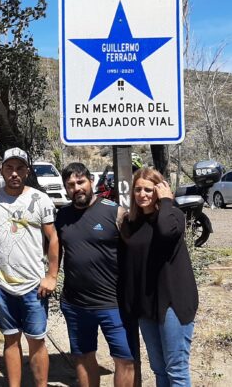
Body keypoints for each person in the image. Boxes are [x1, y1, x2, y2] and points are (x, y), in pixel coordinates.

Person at [56, 162, 138, 387]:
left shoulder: (114, 212)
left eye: (80, 182)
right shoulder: (62, 216)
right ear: (66, 188)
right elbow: (51, 250)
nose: (77, 188)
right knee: (83, 357)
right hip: (76, 304)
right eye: (71, 185)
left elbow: (138, 247)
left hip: (113, 304)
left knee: (125, 360)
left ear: (91, 181)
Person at [120, 167, 198, 387]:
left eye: (148, 189)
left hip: (173, 302)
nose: (142, 194)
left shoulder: (173, 216)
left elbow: (165, 232)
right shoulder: (131, 223)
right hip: (146, 305)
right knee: (159, 369)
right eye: (138, 190)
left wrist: (166, 202)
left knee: (176, 370)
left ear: (159, 190)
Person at [0, 147, 59, 387]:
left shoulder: (40, 199)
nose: (14, 173)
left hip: (33, 285)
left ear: (27, 171)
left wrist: (51, 275)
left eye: (20, 168)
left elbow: (53, 238)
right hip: (1, 284)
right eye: (10, 168)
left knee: (36, 340)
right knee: (10, 339)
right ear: (2, 170)